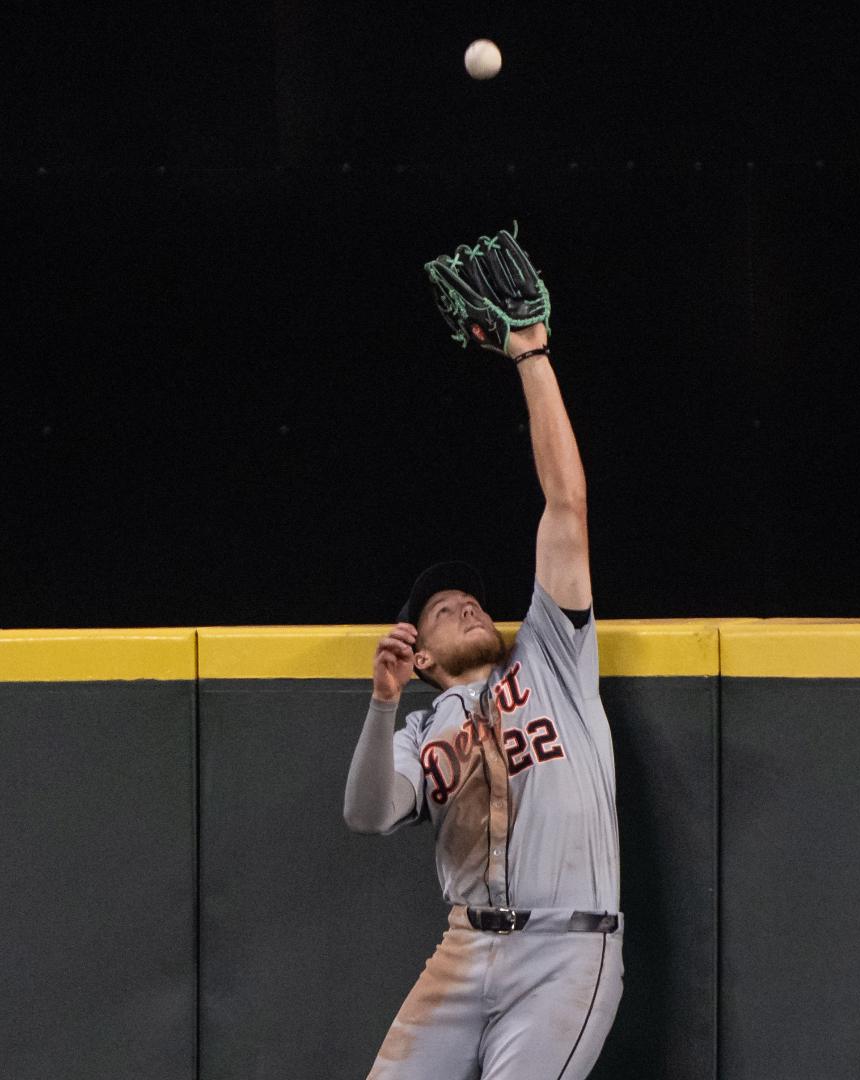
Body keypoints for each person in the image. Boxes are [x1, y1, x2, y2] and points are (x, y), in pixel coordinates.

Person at [342, 271, 622, 1079]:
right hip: (464, 950)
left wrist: (531, 356)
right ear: (422, 656)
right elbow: (368, 814)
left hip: (567, 950)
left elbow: (565, 505)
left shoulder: (552, 656)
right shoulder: (420, 727)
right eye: (442, 609)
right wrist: (382, 705)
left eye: (470, 598)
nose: (465, 604)